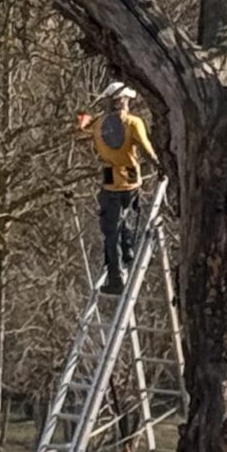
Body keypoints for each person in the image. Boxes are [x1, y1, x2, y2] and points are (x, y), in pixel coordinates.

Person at [82, 83, 157, 294]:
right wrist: (160, 165)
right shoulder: (134, 122)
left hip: (110, 180)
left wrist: (87, 119)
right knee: (127, 218)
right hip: (132, 179)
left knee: (111, 229)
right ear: (125, 100)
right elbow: (146, 147)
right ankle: (128, 251)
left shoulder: (99, 124)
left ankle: (116, 276)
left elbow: (80, 132)